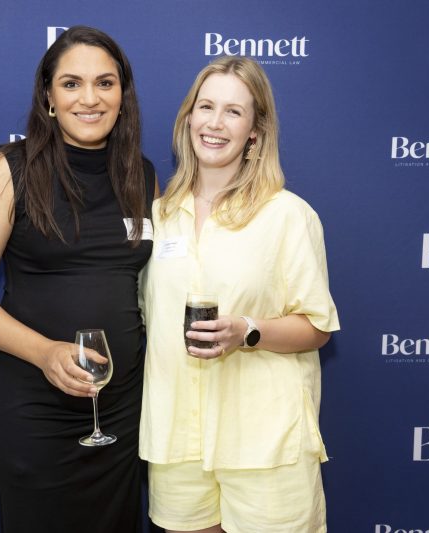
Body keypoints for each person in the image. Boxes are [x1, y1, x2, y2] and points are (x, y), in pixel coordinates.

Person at [0, 26, 157, 533]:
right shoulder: (8, 172)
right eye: (71, 84)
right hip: (35, 410)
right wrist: (45, 353)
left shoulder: (143, 176)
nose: (90, 98)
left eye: (105, 83)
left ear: (123, 95)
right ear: (48, 96)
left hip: (121, 409)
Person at [139, 56, 339, 533]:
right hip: (177, 440)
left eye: (233, 111)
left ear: (255, 130)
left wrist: (247, 331)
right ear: (189, 117)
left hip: (263, 442)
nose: (215, 123)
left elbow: (317, 328)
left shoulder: (288, 216)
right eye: (206, 107)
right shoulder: (160, 215)